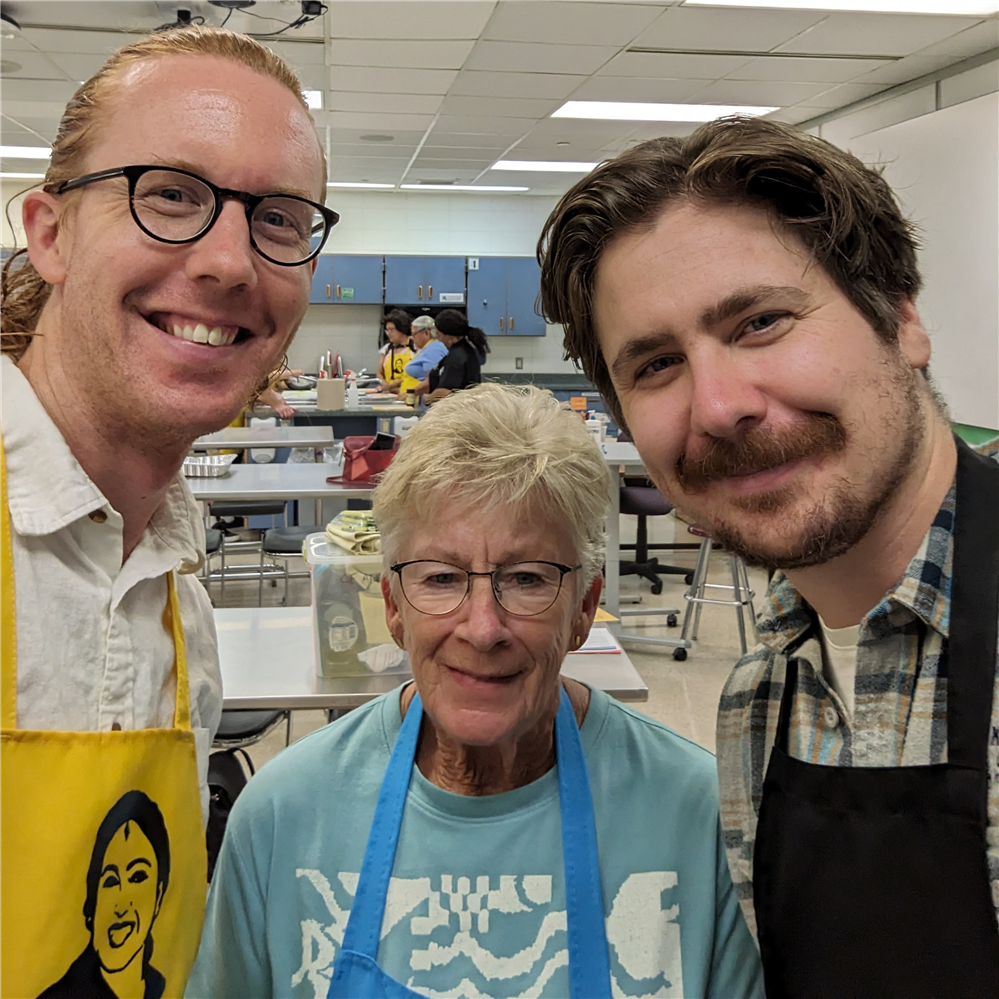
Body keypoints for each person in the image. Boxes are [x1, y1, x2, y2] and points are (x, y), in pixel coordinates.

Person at [537, 116, 999, 997]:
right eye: (657, 364)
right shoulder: (761, 698)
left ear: (900, 317)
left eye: (759, 322)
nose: (717, 405)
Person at [186, 384, 763, 999]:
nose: (483, 628)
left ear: (584, 609)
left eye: (527, 578)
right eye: (440, 577)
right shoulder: (282, 818)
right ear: (394, 607)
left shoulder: (704, 823)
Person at [0, 26, 332, 997]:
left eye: (279, 219)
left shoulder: (176, 581)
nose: (231, 261)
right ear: (50, 233)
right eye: (171, 195)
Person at [40, 791, 171, 999]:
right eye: (110, 881)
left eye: (137, 877)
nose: (120, 906)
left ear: (159, 895)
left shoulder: (163, 982)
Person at [423, 308, 488, 404]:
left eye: (439, 335)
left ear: (451, 337)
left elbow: (445, 393)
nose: (439, 340)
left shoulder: (456, 357)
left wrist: (427, 399)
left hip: (456, 412)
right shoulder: (466, 350)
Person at [398, 314, 446, 401]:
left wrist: (409, 394)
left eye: (414, 334)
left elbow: (432, 380)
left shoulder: (434, 349)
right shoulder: (427, 348)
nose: (412, 338)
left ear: (426, 333)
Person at [378, 309, 415, 392]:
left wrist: (392, 386)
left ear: (402, 328)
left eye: (391, 329)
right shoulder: (387, 348)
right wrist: (384, 384)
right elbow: (379, 373)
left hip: (408, 393)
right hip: (389, 394)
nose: (388, 333)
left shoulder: (415, 346)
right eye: (387, 330)